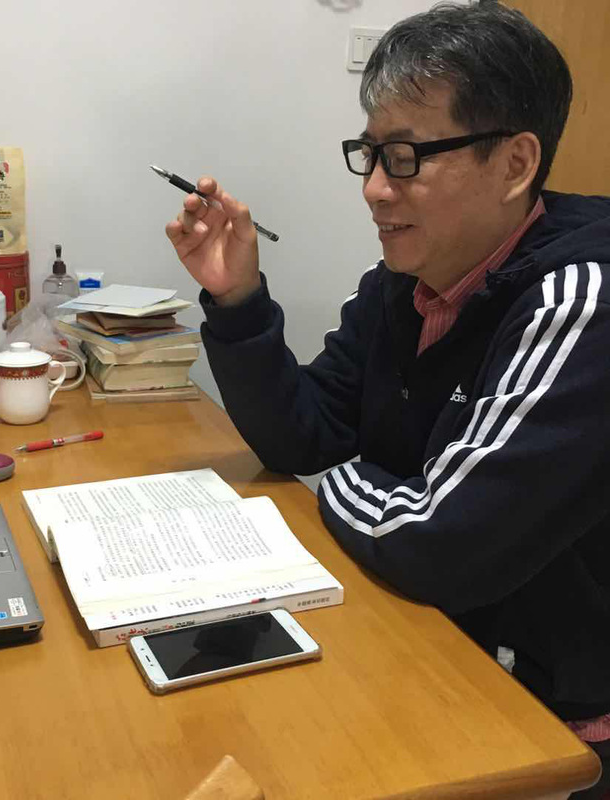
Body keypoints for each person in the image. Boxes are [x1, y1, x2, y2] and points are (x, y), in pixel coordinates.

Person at [164, 2, 610, 796]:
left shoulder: (580, 300)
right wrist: (238, 302)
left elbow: (444, 543)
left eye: (405, 158)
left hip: (548, 712)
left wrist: (336, 482)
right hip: (424, 634)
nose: (374, 189)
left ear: (515, 164)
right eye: (369, 155)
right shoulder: (403, 283)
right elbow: (305, 436)